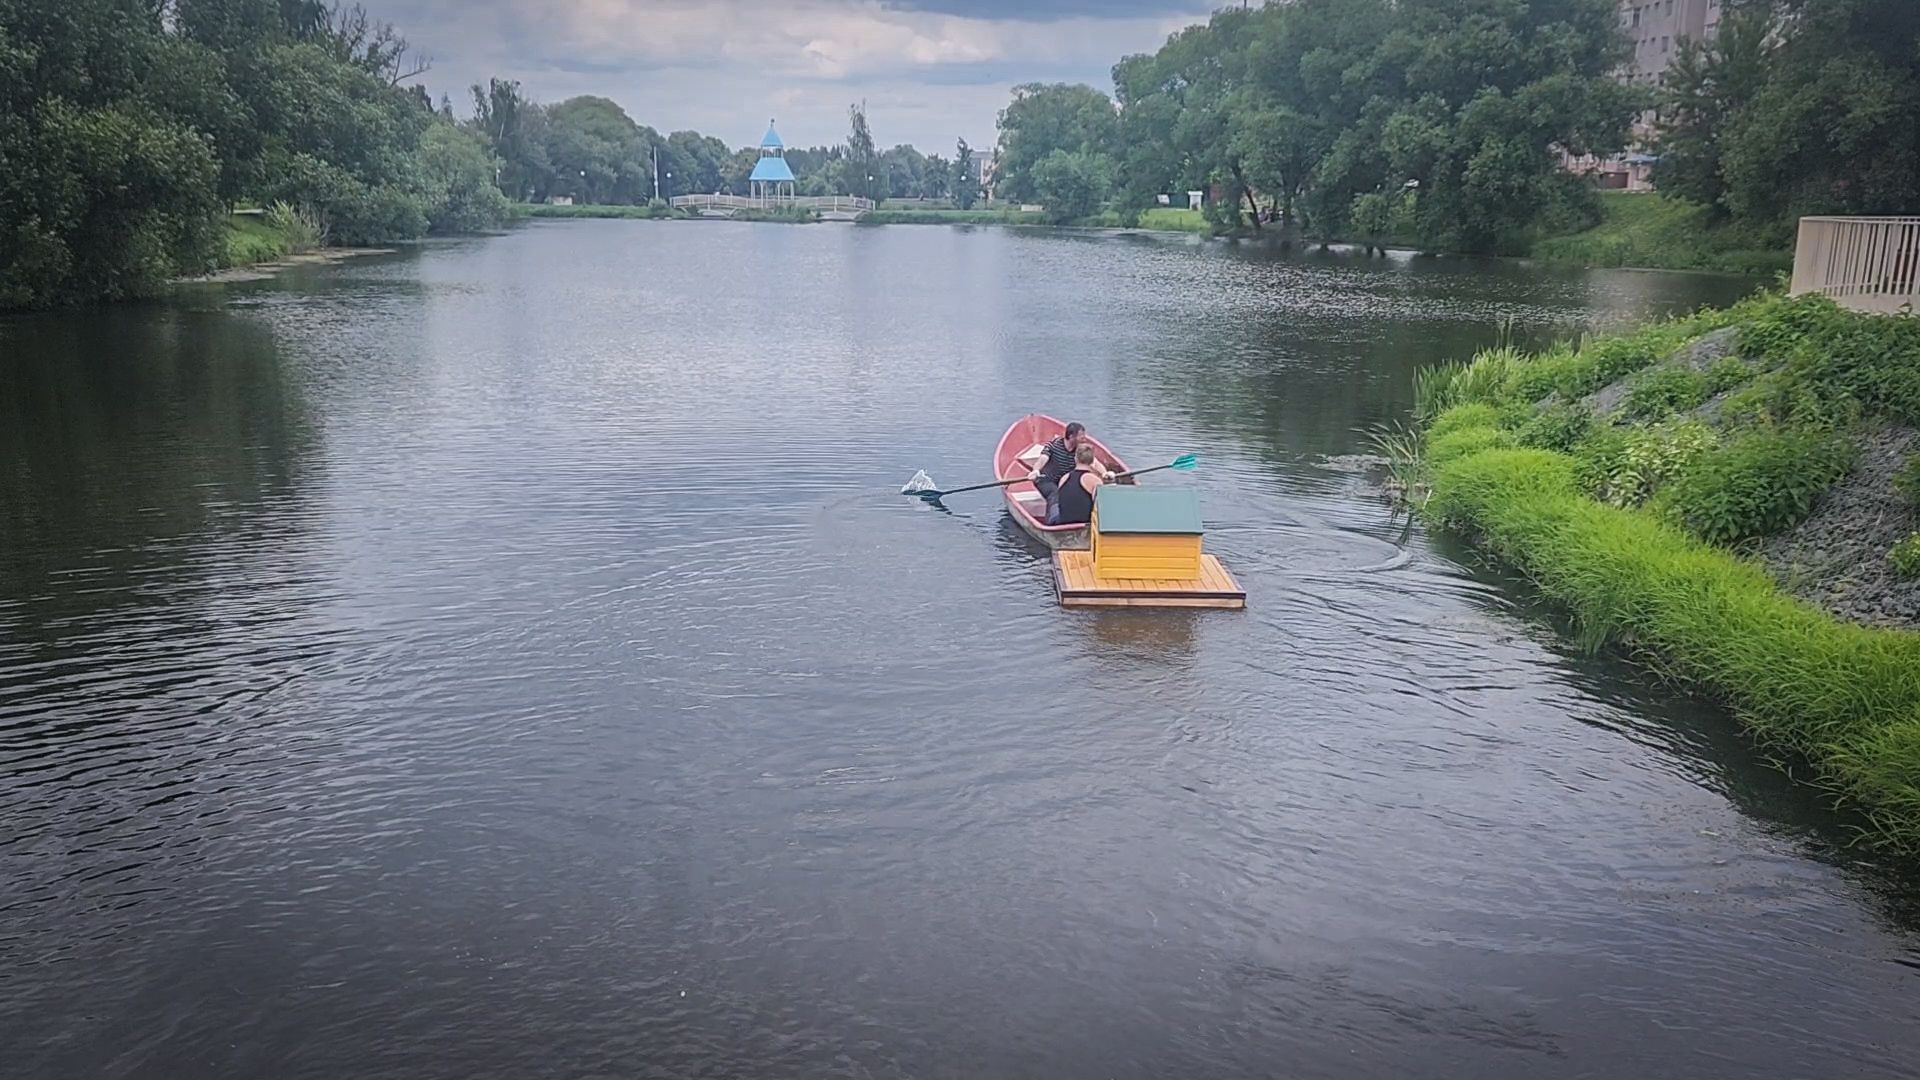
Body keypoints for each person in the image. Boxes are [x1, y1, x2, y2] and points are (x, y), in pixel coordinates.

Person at [1028, 421, 1111, 501]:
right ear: (1071, 437)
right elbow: (1042, 459)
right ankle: (1054, 515)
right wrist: (1036, 470)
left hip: (1065, 481)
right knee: (1055, 495)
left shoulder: (1080, 449)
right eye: (1081, 437)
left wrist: (1104, 473)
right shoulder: (1054, 445)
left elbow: (1094, 463)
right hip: (1046, 480)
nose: (1084, 439)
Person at [1047, 443, 1104, 526]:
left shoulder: (1064, 478)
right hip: (1085, 522)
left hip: (1064, 521)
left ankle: (1047, 525)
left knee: (1053, 505)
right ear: (1092, 460)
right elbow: (1100, 505)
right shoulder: (1095, 480)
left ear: (1075, 459)